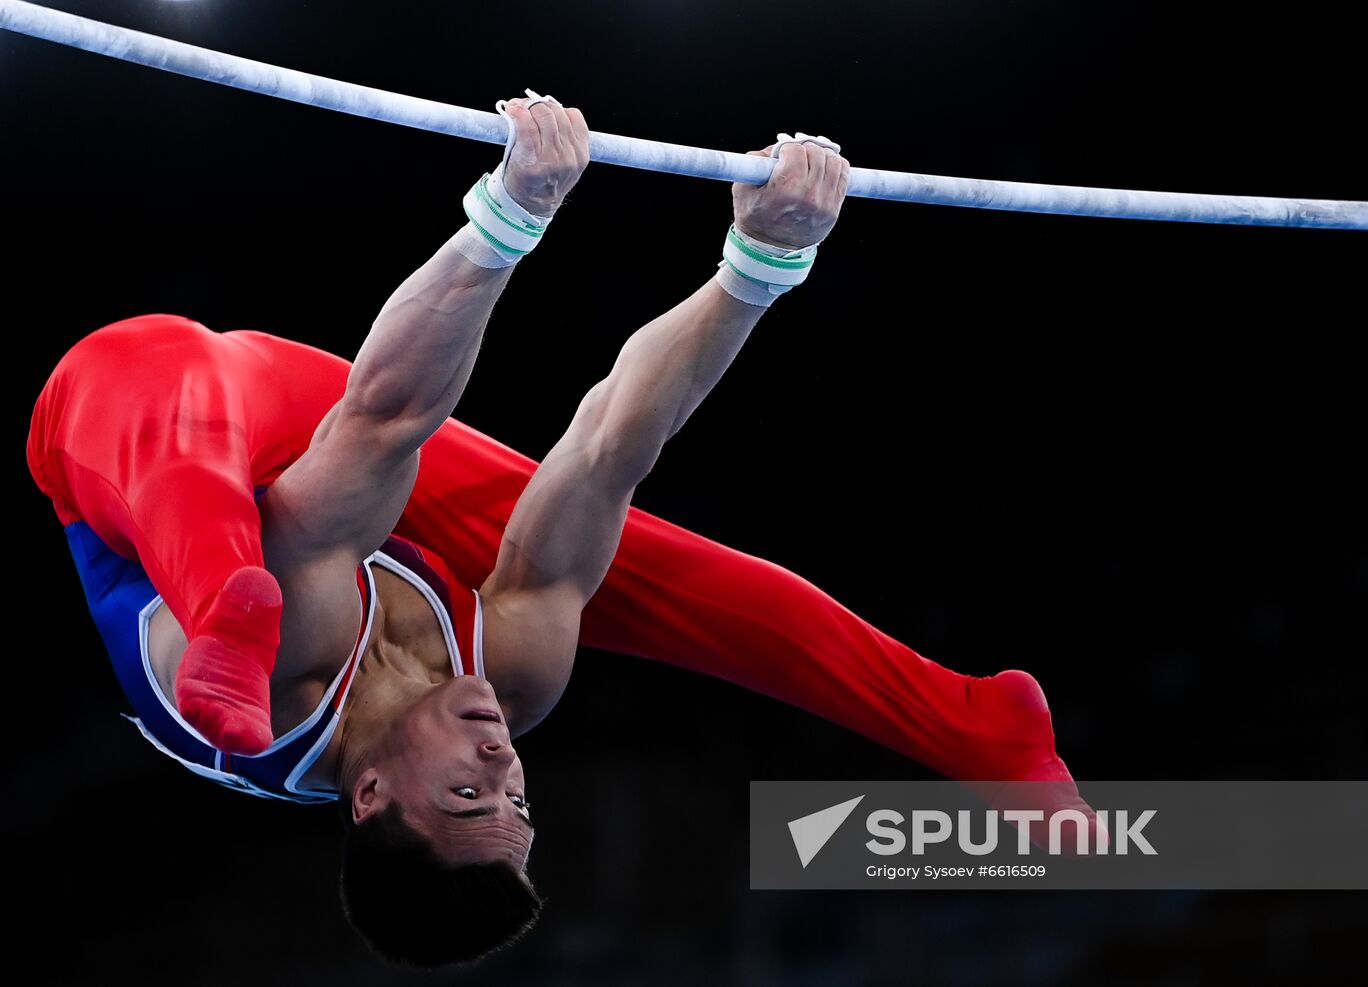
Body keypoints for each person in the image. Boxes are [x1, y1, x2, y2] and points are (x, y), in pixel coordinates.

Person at [27, 93, 1094, 967]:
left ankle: (219, 597)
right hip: (330, 482)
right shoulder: (516, 682)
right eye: (517, 797)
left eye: (468, 790)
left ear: (370, 795)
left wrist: (510, 212)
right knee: (659, 567)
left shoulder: (287, 686)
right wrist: (761, 263)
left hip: (133, 447)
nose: (503, 757)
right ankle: (977, 729)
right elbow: (610, 443)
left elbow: (384, 420)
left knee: (190, 433)